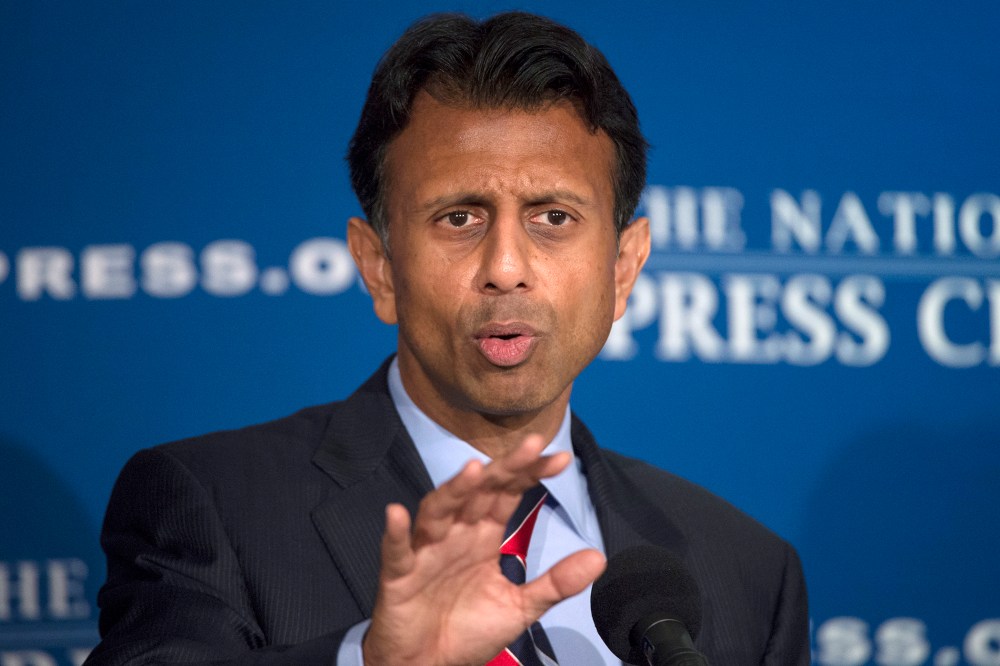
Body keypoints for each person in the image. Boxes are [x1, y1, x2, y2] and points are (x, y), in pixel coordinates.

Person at [85, 11, 809, 666]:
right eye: (459, 217)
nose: (505, 268)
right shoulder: (212, 504)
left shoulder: (747, 569)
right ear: (379, 267)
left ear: (624, 268)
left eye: (552, 217)